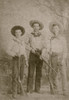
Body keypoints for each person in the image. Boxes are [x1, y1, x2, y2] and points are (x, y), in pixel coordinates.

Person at [46, 22, 68, 95]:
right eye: (54, 28)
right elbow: (48, 48)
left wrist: (63, 59)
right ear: (52, 30)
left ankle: (64, 90)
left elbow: (65, 50)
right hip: (53, 57)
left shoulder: (63, 38)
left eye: (56, 28)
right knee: (54, 73)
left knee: (63, 74)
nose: (55, 29)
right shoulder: (50, 39)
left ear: (59, 29)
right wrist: (48, 51)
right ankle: (56, 89)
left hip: (61, 56)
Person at [7, 26, 28, 98]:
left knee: (21, 75)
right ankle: (14, 92)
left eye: (19, 32)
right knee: (15, 75)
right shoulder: (12, 41)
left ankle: (20, 89)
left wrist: (26, 60)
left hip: (22, 59)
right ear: (14, 33)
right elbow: (8, 50)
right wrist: (15, 54)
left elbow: (24, 52)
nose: (18, 33)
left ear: (21, 33)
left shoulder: (22, 41)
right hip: (16, 59)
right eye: (16, 32)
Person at [27, 20, 45, 93]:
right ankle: (29, 89)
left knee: (39, 73)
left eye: (37, 26)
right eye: (34, 26)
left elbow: (45, 46)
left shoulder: (43, 36)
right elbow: (25, 44)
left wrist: (42, 54)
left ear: (39, 27)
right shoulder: (29, 35)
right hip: (32, 54)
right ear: (32, 27)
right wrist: (31, 49)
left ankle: (37, 89)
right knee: (31, 73)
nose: (36, 27)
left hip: (40, 54)